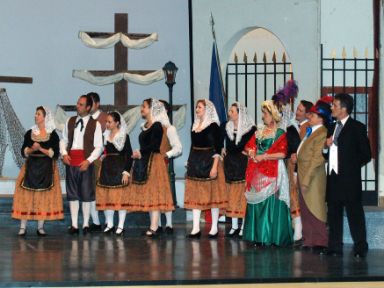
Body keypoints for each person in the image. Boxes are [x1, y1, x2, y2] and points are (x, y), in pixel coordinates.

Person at [324, 93, 371, 258]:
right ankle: (334, 247)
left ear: (343, 109)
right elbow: (326, 154)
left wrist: (350, 166)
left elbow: (366, 154)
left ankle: (360, 247)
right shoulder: (331, 127)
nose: (332, 107)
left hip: (350, 180)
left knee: (355, 214)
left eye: (334, 105)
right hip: (333, 178)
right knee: (334, 214)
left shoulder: (357, 127)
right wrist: (325, 146)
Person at [243, 100, 292, 246]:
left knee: (269, 203)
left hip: (272, 172)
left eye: (265, 113)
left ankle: (270, 237)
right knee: (256, 203)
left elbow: (282, 154)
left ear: (273, 115)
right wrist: (251, 152)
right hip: (257, 171)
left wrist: (263, 156)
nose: (263, 116)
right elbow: (247, 147)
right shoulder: (259, 131)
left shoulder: (280, 133)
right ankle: (256, 236)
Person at [123, 98, 174, 237]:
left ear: (152, 109)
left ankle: (154, 227)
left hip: (155, 162)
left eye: (144, 106)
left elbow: (155, 146)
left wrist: (141, 152)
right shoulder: (146, 125)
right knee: (150, 195)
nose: (142, 108)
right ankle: (154, 226)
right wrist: (139, 153)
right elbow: (147, 146)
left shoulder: (157, 125)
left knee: (155, 195)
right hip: (146, 161)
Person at [12, 106, 64, 236]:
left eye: (39, 114)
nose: (36, 116)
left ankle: (40, 227)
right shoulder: (30, 132)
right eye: (36, 114)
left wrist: (40, 148)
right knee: (26, 195)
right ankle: (23, 227)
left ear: (45, 117)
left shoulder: (52, 135)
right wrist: (32, 149)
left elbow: (55, 154)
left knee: (43, 197)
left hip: (46, 168)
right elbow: (23, 151)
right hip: (31, 166)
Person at [60, 95, 103, 235]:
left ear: (88, 107)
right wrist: (64, 154)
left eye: (81, 104)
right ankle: (74, 225)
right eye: (77, 103)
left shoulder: (95, 124)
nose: (77, 106)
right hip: (71, 161)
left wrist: (89, 161)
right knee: (72, 194)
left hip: (85, 162)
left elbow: (99, 147)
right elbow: (64, 140)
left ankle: (85, 224)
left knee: (86, 194)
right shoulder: (70, 121)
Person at [184, 99, 227, 239]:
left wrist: (215, 166)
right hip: (196, 162)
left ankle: (214, 227)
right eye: (196, 107)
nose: (197, 109)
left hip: (210, 162)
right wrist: (189, 161)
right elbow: (192, 145)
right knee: (196, 195)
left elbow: (218, 147)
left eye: (200, 107)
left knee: (212, 195)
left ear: (207, 109)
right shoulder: (195, 125)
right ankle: (195, 228)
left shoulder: (214, 126)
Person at [296, 98, 331, 252]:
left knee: (315, 208)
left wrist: (306, 180)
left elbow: (317, 158)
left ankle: (321, 241)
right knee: (305, 209)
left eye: (313, 115)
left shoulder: (321, 133)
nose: (309, 117)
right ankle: (308, 240)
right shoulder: (311, 131)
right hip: (304, 173)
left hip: (313, 177)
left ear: (321, 119)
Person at [221, 102, 256, 238]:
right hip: (230, 163)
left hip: (242, 163)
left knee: (242, 195)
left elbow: (245, 146)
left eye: (232, 111)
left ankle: (243, 226)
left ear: (239, 114)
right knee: (231, 195)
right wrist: (221, 148)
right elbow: (223, 143)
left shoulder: (250, 129)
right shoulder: (227, 127)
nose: (229, 113)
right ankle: (234, 226)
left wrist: (247, 152)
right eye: (229, 111)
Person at [96, 111, 133, 236]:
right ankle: (110, 224)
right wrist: (102, 156)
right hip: (107, 168)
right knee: (108, 197)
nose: (107, 124)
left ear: (117, 123)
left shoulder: (124, 136)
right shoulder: (105, 135)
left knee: (119, 198)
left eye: (109, 122)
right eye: (106, 121)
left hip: (119, 167)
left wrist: (126, 172)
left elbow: (129, 155)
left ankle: (121, 225)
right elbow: (105, 151)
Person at [286, 100, 313, 244]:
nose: (297, 112)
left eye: (301, 111)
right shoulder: (291, 127)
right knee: (293, 194)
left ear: (308, 114)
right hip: (291, 166)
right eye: (297, 109)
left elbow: (310, 149)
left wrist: (298, 156)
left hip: (304, 167)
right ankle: (297, 228)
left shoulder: (309, 128)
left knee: (303, 196)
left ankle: (304, 229)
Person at [154, 100, 182, 234]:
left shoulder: (170, 129)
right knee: (153, 194)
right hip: (151, 165)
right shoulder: (149, 127)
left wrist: (166, 155)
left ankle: (169, 224)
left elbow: (178, 148)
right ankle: (157, 224)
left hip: (162, 165)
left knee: (165, 193)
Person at [88, 92, 108, 232]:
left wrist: (103, 155)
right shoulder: (84, 119)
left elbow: (109, 140)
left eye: (91, 103)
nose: (88, 106)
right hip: (87, 160)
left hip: (101, 161)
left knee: (103, 191)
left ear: (97, 104)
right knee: (89, 192)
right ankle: (95, 222)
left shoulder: (105, 119)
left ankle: (108, 222)